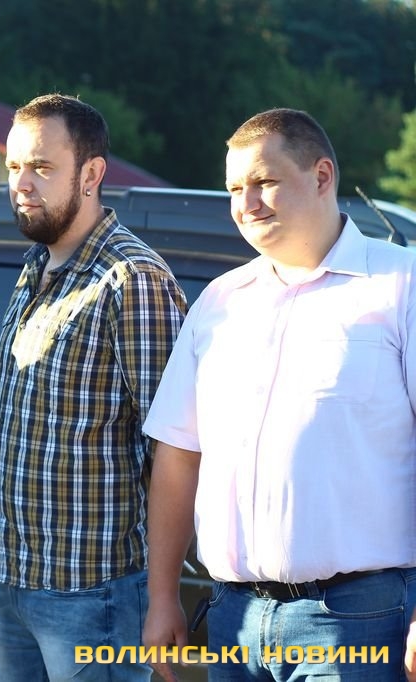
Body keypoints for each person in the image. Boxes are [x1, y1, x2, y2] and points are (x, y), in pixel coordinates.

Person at [142, 107, 416, 681]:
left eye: (264, 181)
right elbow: (178, 455)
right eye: (233, 188)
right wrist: (161, 596)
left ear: (321, 176)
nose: (246, 203)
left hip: (360, 618)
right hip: (233, 619)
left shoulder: (402, 284)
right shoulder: (219, 303)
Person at [0, 93, 187, 681]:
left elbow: (174, 450)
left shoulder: (132, 279)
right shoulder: (36, 266)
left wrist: (162, 596)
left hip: (93, 594)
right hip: (9, 581)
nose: (22, 183)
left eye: (41, 167)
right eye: (13, 167)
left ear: (92, 174)